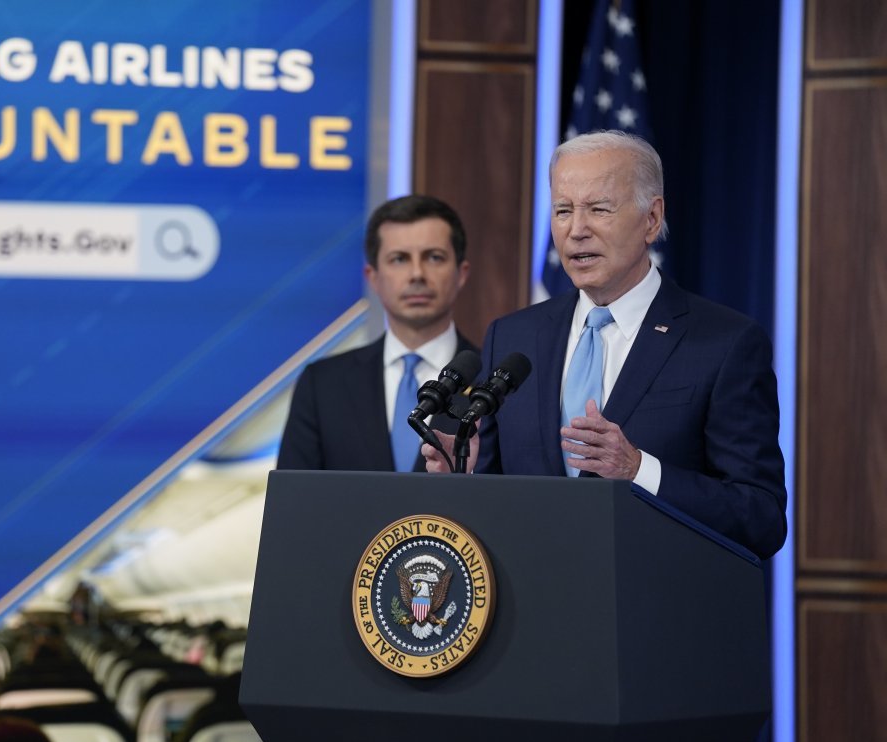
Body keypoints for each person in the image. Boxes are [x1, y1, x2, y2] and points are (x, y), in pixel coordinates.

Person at [424, 130, 786, 561]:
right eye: (563, 210)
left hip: (653, 614)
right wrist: (464, 480)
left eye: (598, 209)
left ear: (652, 219)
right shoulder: (514, 337)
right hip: (535, 612)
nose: (576, 230)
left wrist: (638, 469)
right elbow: (501, 504)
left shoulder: (724, 343)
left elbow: (761, 518)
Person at [277, 194, 479, 472]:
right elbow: (293, 504)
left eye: (434, 257)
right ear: (373, 277)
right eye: (399, 259)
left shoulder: (492, 386)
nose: (417, 274)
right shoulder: (322, 386)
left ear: (462, 273)